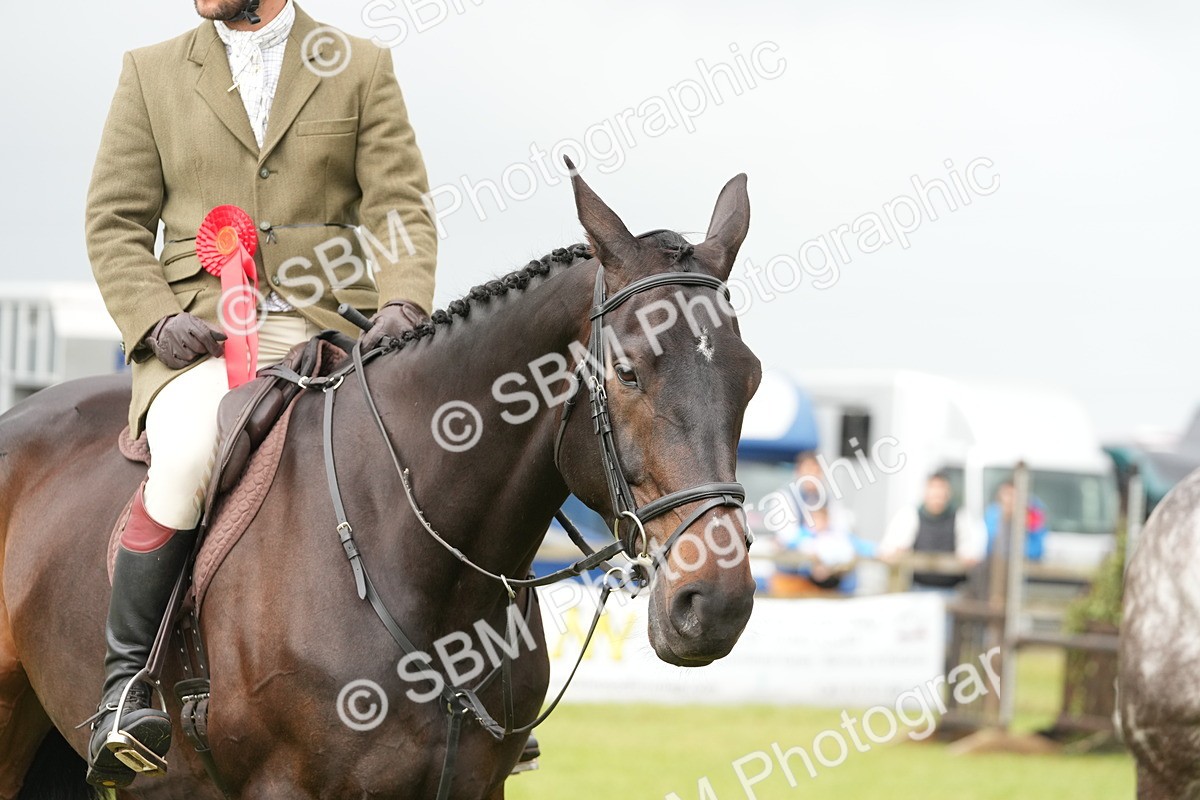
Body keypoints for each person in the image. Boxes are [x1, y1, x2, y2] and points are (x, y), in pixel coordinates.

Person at [83, 0, 436, 787]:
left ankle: (475, 688)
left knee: (437, 455)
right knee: (185, 461)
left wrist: (405, 300)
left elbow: (399, 206)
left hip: (334, 333)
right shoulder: (151, 72)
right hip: (199, 341)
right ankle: (125, 689)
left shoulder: (360, 65)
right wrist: (153, 317)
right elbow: (114, 220)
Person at [880, 473, 985, 589]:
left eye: (941, 491)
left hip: (953, 589)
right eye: (934, 490)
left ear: (948, 493)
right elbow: (890, 548)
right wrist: (897, 552)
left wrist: (967, 557)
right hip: (918, 587)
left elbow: (971, 551)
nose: (937, 496)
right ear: (926, 492)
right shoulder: (910, 515)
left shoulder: (961, 517)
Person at [984, 480, 1048, 561]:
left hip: (1024, 565)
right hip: (996, 564)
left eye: (1012, 495)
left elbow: (1037, 550)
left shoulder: (1032, 514)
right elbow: (989, 546)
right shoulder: (993, 514)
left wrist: (1024, 523)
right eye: (1006, 495)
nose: (1009, 500)